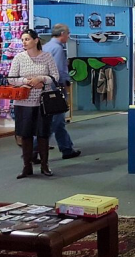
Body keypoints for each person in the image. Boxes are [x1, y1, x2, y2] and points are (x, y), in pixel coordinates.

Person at [8, 29, 59, 178]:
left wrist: (41, 79)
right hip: (23, 102)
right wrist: (26, 81)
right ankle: (27, 167)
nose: (24, 42)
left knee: (43, 134)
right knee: (25, 135)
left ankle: (45, 166)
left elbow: (55, 76)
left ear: (36, 40)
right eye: (23, 39)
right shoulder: (18, 58)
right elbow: (11, 78)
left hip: (42, 102)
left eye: (27, 39)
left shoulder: (47, 57)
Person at [42, 24, 81, 159]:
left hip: (46, 87)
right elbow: (58, 70)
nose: (69, 36)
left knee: (58, 121)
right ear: (62, 33)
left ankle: (67, 148)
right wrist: (65, 82)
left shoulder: (46, 46)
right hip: (55, 88)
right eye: (68, 33)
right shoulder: (58, 49)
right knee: (56, 120)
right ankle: (34, 148)